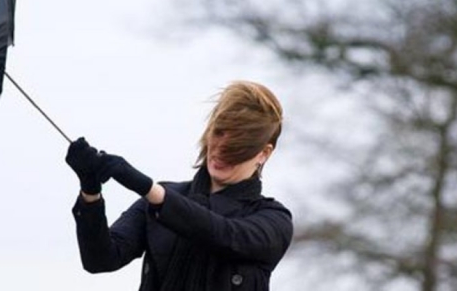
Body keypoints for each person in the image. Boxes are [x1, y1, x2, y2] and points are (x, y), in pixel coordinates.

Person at [65, 81, 293, 291]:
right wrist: (90, 192)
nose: (220, 151)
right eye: (219, 134)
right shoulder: (162, 197)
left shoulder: (273, 220)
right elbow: (101, 259)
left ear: (263, 154)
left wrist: (149, 189)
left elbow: (223, 234)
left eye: (236, 148)